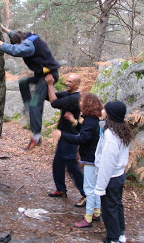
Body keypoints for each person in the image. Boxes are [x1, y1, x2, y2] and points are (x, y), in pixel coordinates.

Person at [0, 24, 60, 150]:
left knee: (35, 104)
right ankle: (29, 110)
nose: (17, 45)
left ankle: (36, 137)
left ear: (20, 41)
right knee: (23, 83)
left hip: (48, 76)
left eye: (17, 44)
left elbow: (16, 51)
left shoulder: (27, 45)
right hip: (40, 75)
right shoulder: (27, 37)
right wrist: (4, 29)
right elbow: (15, 36)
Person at [52, 93, 103, 228]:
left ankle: (88, 218)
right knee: (94, 188)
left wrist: (63, 134)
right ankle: (96, 213)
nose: (79, 103)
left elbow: (82, 138)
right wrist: (74, 122)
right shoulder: (93, 120)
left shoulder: (90, 121)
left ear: (87, 105)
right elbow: (86, 132)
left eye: (82, 101)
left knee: (89, 188)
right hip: (94, 158)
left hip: (91, 159)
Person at [94, 101, 133, 243]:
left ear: (110, 114)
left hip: (110, 177)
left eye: (105, 108)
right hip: (119, 175)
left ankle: (113, 238)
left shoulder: (110, 134)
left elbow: (107, 163)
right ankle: (120, 233)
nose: (102, 110)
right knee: (117, 205)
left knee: (109, 209)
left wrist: (100, 186)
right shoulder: (121, 129)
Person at [45, 73, 86, 204]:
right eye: (67, 81)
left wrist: (50, 84)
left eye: (70, 82)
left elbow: (55, 103)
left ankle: (86, 194)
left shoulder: (75, 98)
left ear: (77, 85)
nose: (67, 83)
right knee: (57, 163)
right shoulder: (69, 94)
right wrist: (45, 83)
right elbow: (49, 96)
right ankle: (61, 189)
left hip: (70, 137)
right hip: (63, 136)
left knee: (72, 167)